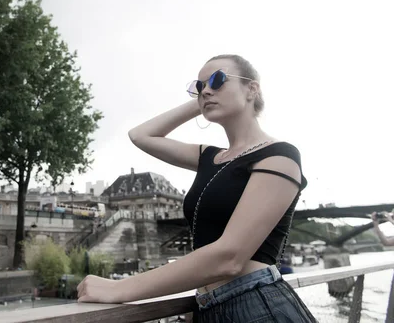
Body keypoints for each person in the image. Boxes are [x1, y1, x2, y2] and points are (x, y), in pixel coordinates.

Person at [77, 55, 317, 322]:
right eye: (199, 86)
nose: (206, 90)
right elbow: (140, 135)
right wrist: (202, 101)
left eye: (218, 80)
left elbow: (230, 257)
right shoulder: (210, 157)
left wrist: (119, 287)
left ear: (252, 89)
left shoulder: (280, 156)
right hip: (206, 309)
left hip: (255, 306)